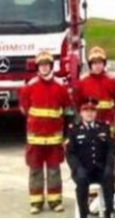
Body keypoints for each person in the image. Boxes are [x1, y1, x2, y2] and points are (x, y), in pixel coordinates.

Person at [19, 51, 71, 214]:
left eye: (47, 65)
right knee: (35, 170)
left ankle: (55, 201)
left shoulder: (60, 86)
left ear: (51, 66)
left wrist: (66, 134)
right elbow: (24, 108)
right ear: (38, 67)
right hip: (35, 139)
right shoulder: (30, 87)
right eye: (41, 65)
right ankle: (36, 202)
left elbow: (68, 109)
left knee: (54, 170)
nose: (44, 68)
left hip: (54, 138)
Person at [66, 98, 115, 218]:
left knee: (109, 179)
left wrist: (109, 166)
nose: (89, 113)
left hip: (101, 169)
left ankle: (109, 212)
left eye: (92, 110)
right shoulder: (74, 129)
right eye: (86, 110)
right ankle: (84, 214)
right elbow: (70, 153)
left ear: (96, 112)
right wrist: (77, 168)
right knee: (82, 182)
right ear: (81, 112)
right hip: (83, 169)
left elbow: (111, 150)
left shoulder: (104, 127)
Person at [76, 46, 115, 127]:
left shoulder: (111, 81)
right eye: (94, 63)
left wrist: (112, 113)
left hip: (108, 121)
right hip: (89, 122)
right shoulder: (83, 82)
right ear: (90, 65)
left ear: (104, 64)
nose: (97, 66)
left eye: (100, 63)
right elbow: (77, 101)